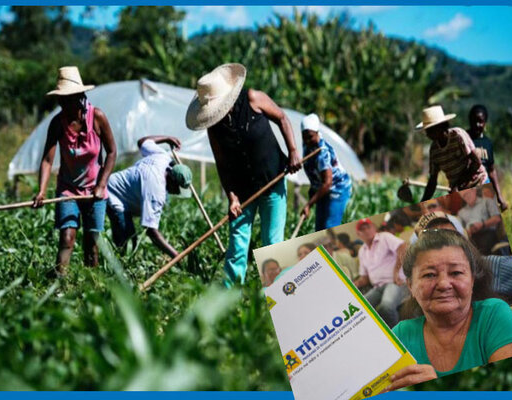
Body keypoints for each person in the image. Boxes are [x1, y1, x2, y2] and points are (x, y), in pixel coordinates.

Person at [185, 63, 302, 287]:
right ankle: (231, 298)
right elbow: (222, 164)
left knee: (272, 245)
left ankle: (278, 294)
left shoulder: (253, 99)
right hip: (242, 191)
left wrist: (293, 151)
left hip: (272, 182)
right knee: (237, 247)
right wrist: (232, 197)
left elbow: (282, 119)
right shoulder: (214, 128)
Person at [388, 230, 512, 389]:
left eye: (456, 272)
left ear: (472, 280)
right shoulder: (400, 336)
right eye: (429, 275)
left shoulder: (493, 315)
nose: (443, 284)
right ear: (410, 286)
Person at [33, 66, 117, 277]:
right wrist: (41, 191)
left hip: (94, 190)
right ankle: (60, 283)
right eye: (60, 99)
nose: (62, 103)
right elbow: (47, 159)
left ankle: (90, 288)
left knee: (92, 242)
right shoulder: (57, 123)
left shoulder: (97, 117)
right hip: (68, 188)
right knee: (67, 238)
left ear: (79, 96)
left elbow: (112, 152)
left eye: (67, 98)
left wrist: (101, 185)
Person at [106, 136, 193, 258]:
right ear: (171, 180)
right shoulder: (156, 190)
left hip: (119, 186)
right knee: (128, 244)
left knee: (130, 242)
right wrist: (176, 255)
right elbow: (150, 230)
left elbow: (142, 142)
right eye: (177, 190)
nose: (176, 193)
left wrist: (166, 139)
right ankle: (116, 272)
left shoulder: (163, 157)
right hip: (115, 195)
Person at [418, 105, 488, 202]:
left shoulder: (458, 136)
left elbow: (476, 162)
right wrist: (422, 203)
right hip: (459, 189)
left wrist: (459, 184)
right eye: (427, 131)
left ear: (440, 127)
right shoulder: (434, 150)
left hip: (478, 181)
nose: (427, 134)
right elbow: (432, 181)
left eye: (430, 130)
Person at [299, 113, 352, 230]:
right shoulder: (307, 145)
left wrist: (309, 204)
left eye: (310, 136)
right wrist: (313, 189)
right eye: (304, 136)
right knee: (319, 229)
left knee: (329, 229)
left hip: (337, 189)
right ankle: (322, 248)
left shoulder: (323, 154)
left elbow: (327, 183)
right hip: (322, 190)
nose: (307, 140)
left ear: (317, 133)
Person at [353, 218, 408, 327]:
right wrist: (354, 285)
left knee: (386, 306)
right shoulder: (362, 251)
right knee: (359, 309)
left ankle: (396, 337)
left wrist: (396, 271)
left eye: (368, 227)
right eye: (362, 229)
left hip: (394, 283)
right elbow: (364, 278)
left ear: (374, 228)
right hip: (377, 287)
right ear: (359, 234)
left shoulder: (384, 237)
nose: (366, 231)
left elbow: (403, 247)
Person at [468, 105, 508, 211]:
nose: (477, 125)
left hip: (485, 189)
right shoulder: (464, 139)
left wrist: (499, 197)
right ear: (470, 121)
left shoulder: (488, 143)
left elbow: (491, 170)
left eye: (480, 121)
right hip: (467, 191)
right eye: (474, 121)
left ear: (485, 122)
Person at [458, 188, 502, 255]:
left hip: (488, 234)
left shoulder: (487, 201)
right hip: (471, 238)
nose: (467, 197)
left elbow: (497, 218)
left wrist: (483, 224)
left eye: (467, 194)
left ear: (474, 190)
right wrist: (467, 231)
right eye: (464, 196)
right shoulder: (461, 212)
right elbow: (461, 230)